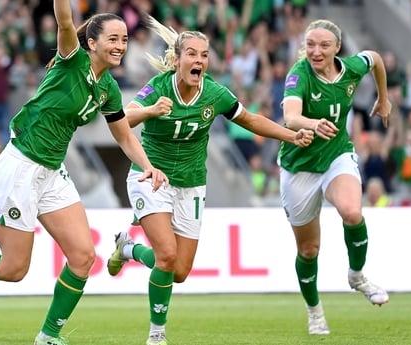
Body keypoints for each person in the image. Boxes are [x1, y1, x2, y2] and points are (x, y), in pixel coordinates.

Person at [0, 2, 169, 345]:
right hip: (20, 168)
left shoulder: (110, 89)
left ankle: (48, 336)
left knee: (83, 256)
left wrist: (148, 166)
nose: (121, 45)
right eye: (113, 39)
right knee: (13, 269)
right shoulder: (72, 58)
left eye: (124, 39)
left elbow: (122, 134)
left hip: (51, 171)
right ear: (91, 42)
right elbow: (63, 19)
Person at [106, 15, 314, 345]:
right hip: (151, 176)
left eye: (204, 55)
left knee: (180, 272)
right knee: (167, 256)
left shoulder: (214, 93)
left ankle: (128, 248)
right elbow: (122, 118)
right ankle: (157, 333)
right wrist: (150, 111)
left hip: (192, 184)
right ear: (177, 59)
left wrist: (290, 136)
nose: (199, 60)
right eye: (192, 54)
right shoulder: (158, 88)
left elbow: (250, 119)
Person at [277, 19, 391, 335]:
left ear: (337, 48)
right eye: (310, 44)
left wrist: (383, 97)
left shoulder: (352, 67)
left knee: (352, 211)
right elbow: (290, 116)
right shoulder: (299, 74)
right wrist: (313, 124)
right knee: (309, 250)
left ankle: (357, 276)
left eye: (324, 45)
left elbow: (376, 59)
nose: (315, 51)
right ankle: (315, 311)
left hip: (336, 155)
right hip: (298, 167)